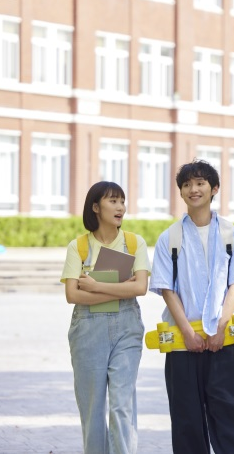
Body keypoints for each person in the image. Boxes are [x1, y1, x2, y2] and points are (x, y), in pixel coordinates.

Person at [149, 159, 234, 454]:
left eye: (200, 183)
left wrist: (220, 327)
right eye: (186, 184)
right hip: (184, 345)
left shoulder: (231, 235)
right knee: (187, 425)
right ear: (181, 192)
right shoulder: (169, 238)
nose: (193, 189)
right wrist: (187, 332)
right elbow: (167, 289)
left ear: (214, 189)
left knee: (233, 421)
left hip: (227, 343)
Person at [60, 181, 150, 454]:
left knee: (122, 405)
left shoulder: (135, 243)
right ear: (96, 207)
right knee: (92, 409)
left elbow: (140, 288)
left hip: (127, 329)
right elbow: (72, 295)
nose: (120, 206)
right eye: (113, 201)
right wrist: (121, 289)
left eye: (122, 200)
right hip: (88, 330)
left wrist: (96, 286)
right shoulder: (79, 247)